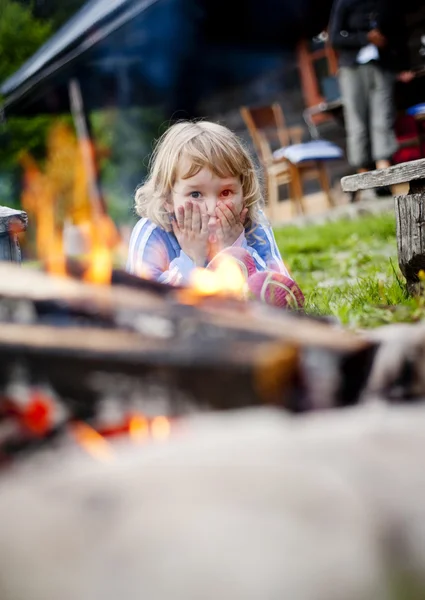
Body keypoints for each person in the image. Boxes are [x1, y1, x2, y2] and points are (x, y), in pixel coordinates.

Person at [126, 120, 303, 308]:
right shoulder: (152, 231)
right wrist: (192, 258)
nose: (212, 207)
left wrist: (233, 248)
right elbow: (144, 305)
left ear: (243, 191)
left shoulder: (252, 222)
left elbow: (282, 293)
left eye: (225, 193)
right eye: (195, 194)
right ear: (168, 197)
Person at [329, 0, 414, 199]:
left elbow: (399, 34)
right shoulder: (344, 3)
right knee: (356, 120)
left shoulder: (386, 4)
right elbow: (334, 38)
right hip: (352, 69)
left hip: (382, 66)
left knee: (382, 118)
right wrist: (365, 38)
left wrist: (403, 65)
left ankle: (384, 179)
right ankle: (364, 179)